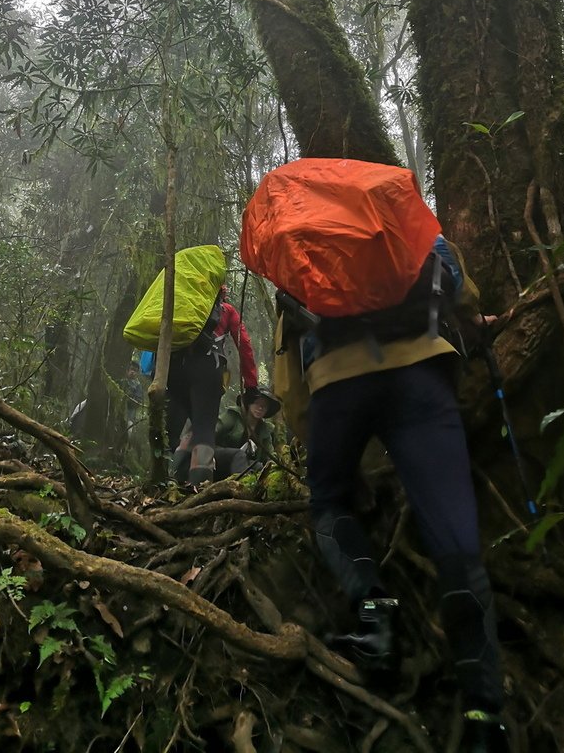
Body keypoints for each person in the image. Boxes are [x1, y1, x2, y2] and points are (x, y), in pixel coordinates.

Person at [281, 237, 509, 753]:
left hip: (339, 383)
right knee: (456, 539)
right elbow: (461, 295)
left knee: (329, 501)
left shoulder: (304, 252)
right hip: (423, 374)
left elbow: (290, 378)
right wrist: (474, 330)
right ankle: (483, 715)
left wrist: (315, 435)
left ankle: (376, 618)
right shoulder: (415, 228)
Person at [165, 285, 258, 485]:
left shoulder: (182, 305)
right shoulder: (226, 311)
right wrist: (251, 384)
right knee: (205, 428)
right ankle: (199, 486)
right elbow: (245, 345)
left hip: (174, 369)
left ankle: (170, 479)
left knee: (182, 428)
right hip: (207, 369)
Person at [213, 385, 280, 478]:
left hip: (240, 464)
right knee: (239, 455)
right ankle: (241, 487)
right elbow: (213, 432)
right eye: (257, 403)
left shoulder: (264, 430)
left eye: (264, 406)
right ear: (249, 403)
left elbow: (270, 455)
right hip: (217, 457)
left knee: (259, 466)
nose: (260, 408)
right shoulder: (233, 416)